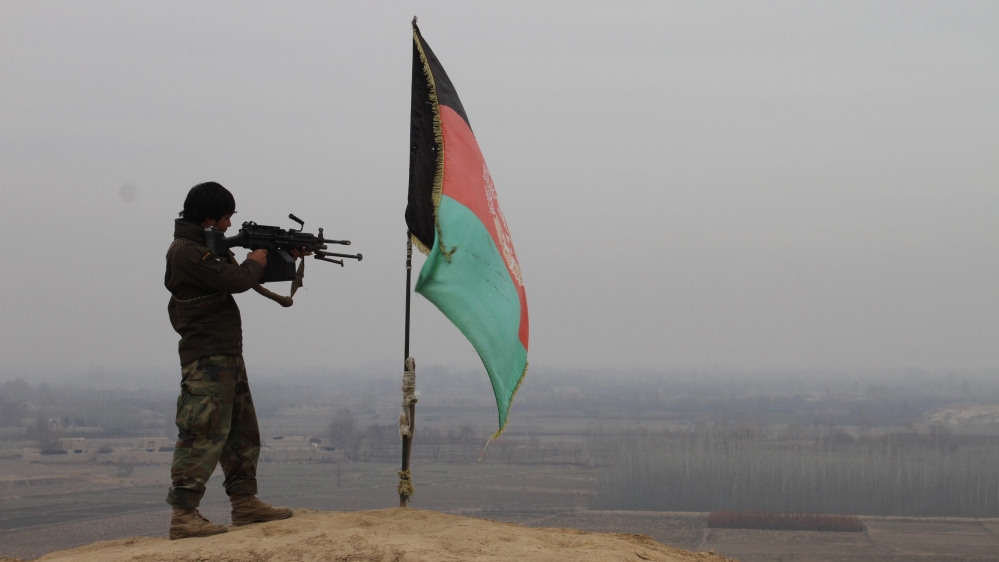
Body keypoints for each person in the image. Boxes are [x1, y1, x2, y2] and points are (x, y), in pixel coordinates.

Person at [164, 182, 296, 540]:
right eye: (225, 218)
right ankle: (184, 515)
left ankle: (245, 503)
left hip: (225, 355)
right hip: (206, 359)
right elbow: (236, 280)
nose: (227, 226)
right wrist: (254, 259)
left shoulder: (206, 248)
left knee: (242, 433)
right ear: (208, 217)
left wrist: (283, 256)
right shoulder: (186, 253)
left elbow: (244, 277)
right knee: (201, 434)